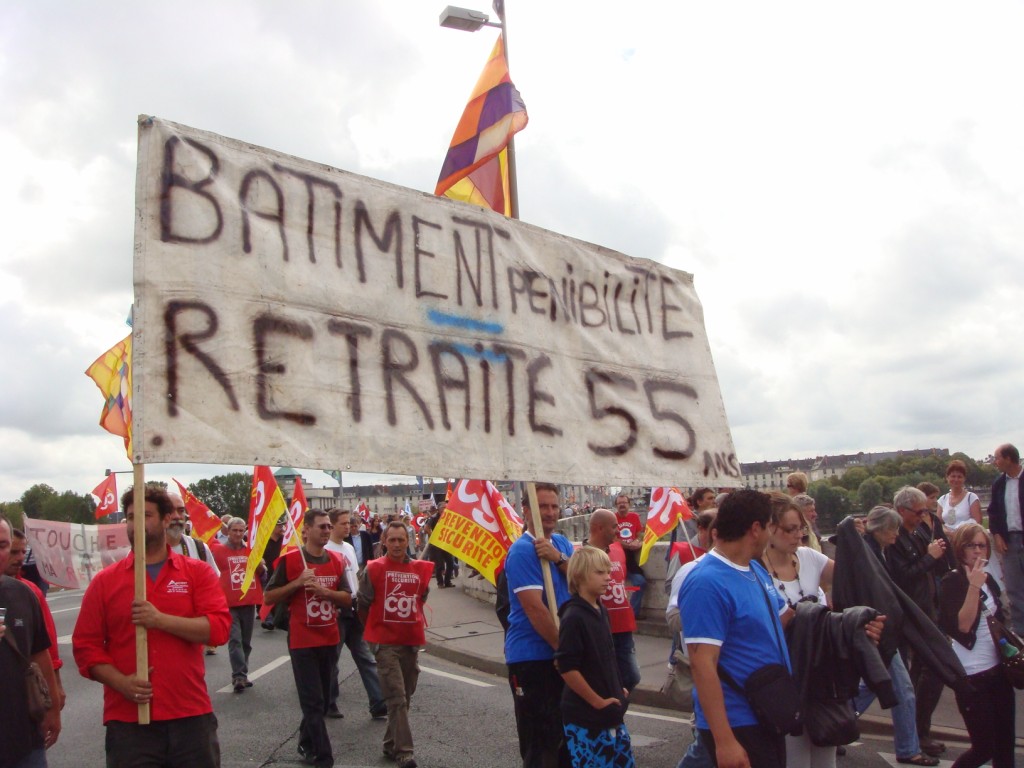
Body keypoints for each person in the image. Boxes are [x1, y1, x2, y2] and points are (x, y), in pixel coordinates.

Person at [72, 486, 231, 768]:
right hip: (129, 722)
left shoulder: (197, 572)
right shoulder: (105, 582)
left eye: (145, 515)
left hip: (190, 715)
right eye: (131, 517)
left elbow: (218, 629)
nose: (137, 524)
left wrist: (160, 621)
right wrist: (122, 683)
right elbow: (86, 649)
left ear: (167, 519)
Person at [679, 489, 791, 768]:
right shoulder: (707, 582)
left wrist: (849, 624)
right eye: (769, 526)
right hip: (737, 719)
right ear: (755, 529)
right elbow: (702, 663)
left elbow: (787, 618)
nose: (770, 534)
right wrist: (724, 741)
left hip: (766, 710)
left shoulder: (755, 569)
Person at [852, 505, 937, 767]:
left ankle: (834, 720)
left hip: (883, 631)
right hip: (880, 632)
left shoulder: (877, 551)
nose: (897, 534)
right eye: (894, 529)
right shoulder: (870, 553)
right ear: (881, 529)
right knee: (902, 689)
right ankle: (907, 748)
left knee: (876, 686)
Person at [265, 509, 351, 768]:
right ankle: (324, 755)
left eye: (328, 527)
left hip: (329, 637)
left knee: (323, 701)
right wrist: (297, 583)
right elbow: (268, 597)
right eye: (322, 527)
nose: (326, 531)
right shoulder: (291, 561)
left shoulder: (336, 560)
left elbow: (347, 598)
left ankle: (306, 741)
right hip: (302, 640)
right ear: (307, 530)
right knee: (312, 701)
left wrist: (326, 592)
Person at [505, 482, 574, 768]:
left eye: (553, 506)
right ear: (526, 510)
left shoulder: (562, 544)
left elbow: (583, 579)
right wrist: (563, 650)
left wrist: (558, 558)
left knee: (566, 740)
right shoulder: (522, 551)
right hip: (533, 657)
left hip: (562, 654)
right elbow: (535, 609)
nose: (549, 512)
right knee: (540, 744)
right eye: (541, 506)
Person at [357, 521, 434, 768]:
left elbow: (420, 599)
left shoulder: (418, 569)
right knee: (396, 697)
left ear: (408, 541)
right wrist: (372, 633)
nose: (398, 544)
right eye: (393, 540)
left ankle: (391, 743)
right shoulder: (374, 569)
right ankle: (404, 752)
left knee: (406, 695)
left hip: (410, 642)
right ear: (384, 542)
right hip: (384, 643)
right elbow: (363, 604)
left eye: (402, 540)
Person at [938, 523, 1016, 768]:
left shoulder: (989, 579)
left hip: (998, 671)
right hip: (972, 676)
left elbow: (1000, 620)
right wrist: (973, 586)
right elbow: (962, 626)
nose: (977, 551)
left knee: (1005, 746)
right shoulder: (952, 581)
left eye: (982, 545)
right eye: (971, 545)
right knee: (984, 748)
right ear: (960, 548)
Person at [555, 546, 635, 768]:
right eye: (600, 573)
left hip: (609, 714)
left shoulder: (601, 610)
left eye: (608, 572)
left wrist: (619, 686)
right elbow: (567, 667)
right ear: (580, 575)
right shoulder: (574, 617)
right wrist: (598, 702)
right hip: (586, 718)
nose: (608, 578)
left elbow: (607, 655)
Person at [886, 486, 948, 757]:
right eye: (919, 512)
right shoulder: (895, 537)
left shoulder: (921, 529)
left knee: (917, 675)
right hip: (911, 615)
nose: (924, 516)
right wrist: (929, 557)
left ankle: (917, 730)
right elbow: (902, 577)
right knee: (933, 670)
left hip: (928, 610)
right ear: (902, 511)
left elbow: (936, 564)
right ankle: (917, 732)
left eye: (926, 511)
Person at [0, 515, 61, 768]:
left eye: (2, 545)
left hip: (24, 739)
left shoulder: (23, 594)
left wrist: (53, 709)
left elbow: (39, 654)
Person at [324, 509, 387, 720]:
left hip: (354, 607)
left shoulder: (349, 547)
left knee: (365, 656)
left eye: (349, 523)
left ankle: (378, 701)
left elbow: (355, 575)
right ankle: (329, 701)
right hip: (337, 610)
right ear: (332, 526)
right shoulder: (326, 549)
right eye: (343, 523)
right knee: (332, 658)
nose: (348, 526)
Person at [6, 528, 66, 712]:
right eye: (13, 552)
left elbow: (46, 645)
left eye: (23, 552)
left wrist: (55, 685)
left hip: (24, 689)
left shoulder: (30, 592)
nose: (20, 558)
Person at [584, 508, 640, 692]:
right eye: (614, 526)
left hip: (623, 625)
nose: (618, 530)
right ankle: (612, 714)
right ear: (599, 528)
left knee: (631, 676)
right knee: (606, 680)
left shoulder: (618, 550)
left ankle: (616, 711)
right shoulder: (583, 555)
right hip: (601, 627)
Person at [209, 516, 264, 692]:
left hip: (248, 601)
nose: (238, 534)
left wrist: (261, 564)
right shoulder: (217, 551)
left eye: (241, 530)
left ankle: (243, 672)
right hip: (228, 603)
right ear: (228, 531)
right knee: (235, 640)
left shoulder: (251, 550)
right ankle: (239, 676)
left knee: (246, 641)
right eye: (235, 530)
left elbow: (262, 573)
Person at [988, 443, 1024, 634]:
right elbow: (993, 513)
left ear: (1009, 458)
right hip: (1009, 541)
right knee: (1014, 588)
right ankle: (1021, 631)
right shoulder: (999, 483)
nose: (995, 462)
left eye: (997, 458)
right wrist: (996, 534)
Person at [613, 494, 645, 619]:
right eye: (619, 503)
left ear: (629, 504)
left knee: (640, 582)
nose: (622, 505)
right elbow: (613, 538)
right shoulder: (612, 518)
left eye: (624, 502)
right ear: (616, 506)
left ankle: (632, 613)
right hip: (616, 557)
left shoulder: (634, 517)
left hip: (630, 559)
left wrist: (637, 542)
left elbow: (640, 534)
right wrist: (627, 545)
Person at [937, 459, 982, 532]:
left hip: (966, 539)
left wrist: (957, 535)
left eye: (959, 477)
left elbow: (977, 523)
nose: (956, 479)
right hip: (947, 540)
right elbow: (938, 524)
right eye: (953, 476)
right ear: (947, 477)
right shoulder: (942, 499)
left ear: (964, 479)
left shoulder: (971, 498)